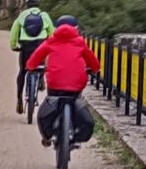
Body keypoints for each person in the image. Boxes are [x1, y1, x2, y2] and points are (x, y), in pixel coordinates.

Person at [21, 17, 100, 150]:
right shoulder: (80, 42)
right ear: (76, 29)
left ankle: (49, 133)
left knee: (52, 103)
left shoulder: (52, 41)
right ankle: (74, 131)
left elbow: (36, 56)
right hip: (76, 84)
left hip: (55, 84)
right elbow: (93, 62)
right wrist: (94, 69)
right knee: (76, 101)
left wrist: (31, 66)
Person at [7, 0, 51, 103]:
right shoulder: (44, 15)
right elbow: (52, 32)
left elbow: (14, 32)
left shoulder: (22, 15)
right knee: (42, 64)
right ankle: (40, 78)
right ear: (38, 4)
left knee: (22, 71)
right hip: (40, 45)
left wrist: (14, 46)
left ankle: (19, 99)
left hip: (26, 46)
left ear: (27, 5)